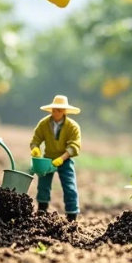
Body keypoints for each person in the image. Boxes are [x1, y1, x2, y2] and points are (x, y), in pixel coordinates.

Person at [30, 94, 81, 222]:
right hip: (47, 158)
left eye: (59, 110)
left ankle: (71, 215)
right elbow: (36, 139)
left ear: (64, 111)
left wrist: (62, 158)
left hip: (65, 159)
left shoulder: (72, 126)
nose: (55, 112)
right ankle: (42, 210)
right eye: (54, 110)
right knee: (43, 185)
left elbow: (74, 145)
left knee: (69, 187)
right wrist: (35, 149)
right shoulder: (44, 124)